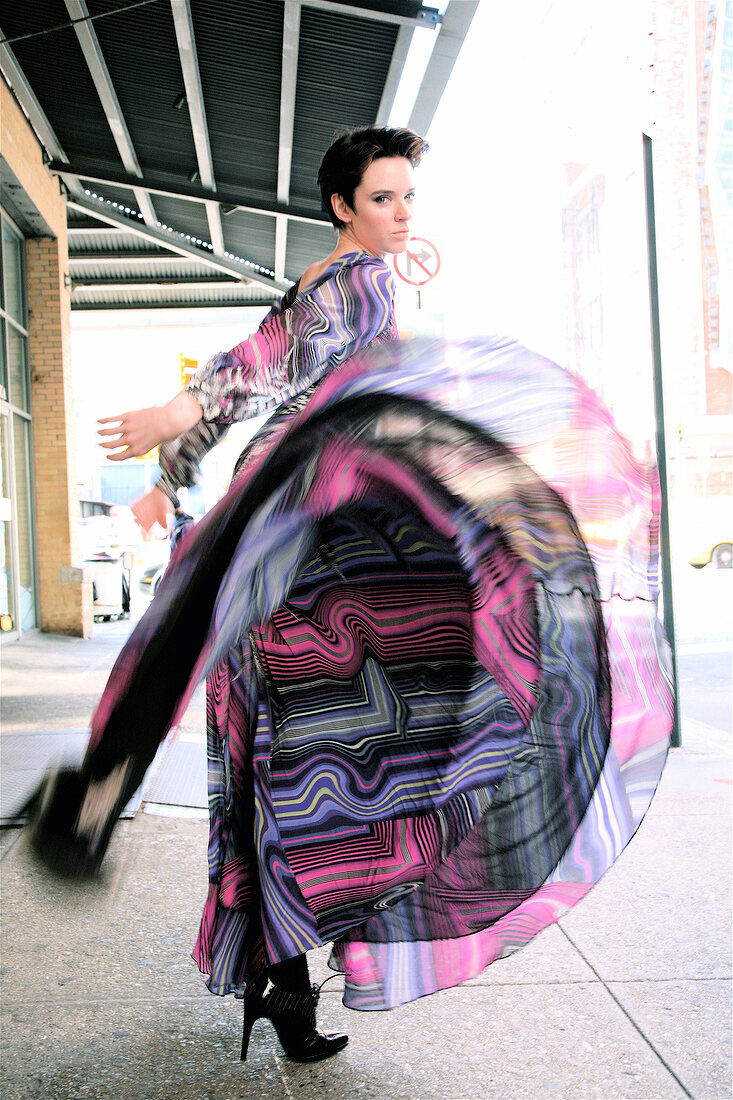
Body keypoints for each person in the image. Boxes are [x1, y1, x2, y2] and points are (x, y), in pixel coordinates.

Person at [25, 126, 673, 1069]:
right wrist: (185, 413)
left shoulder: (344, 288)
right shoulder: (351, 284)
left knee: (283, 753)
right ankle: (148, 841)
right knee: (340, 751)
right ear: (342, 205)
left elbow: (278, 360)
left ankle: (263, 960)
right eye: (383, 199)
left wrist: (180, 458)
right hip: (320, 517)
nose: (400, 214)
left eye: (408, 197)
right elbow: (274, 354)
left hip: (312, 522)